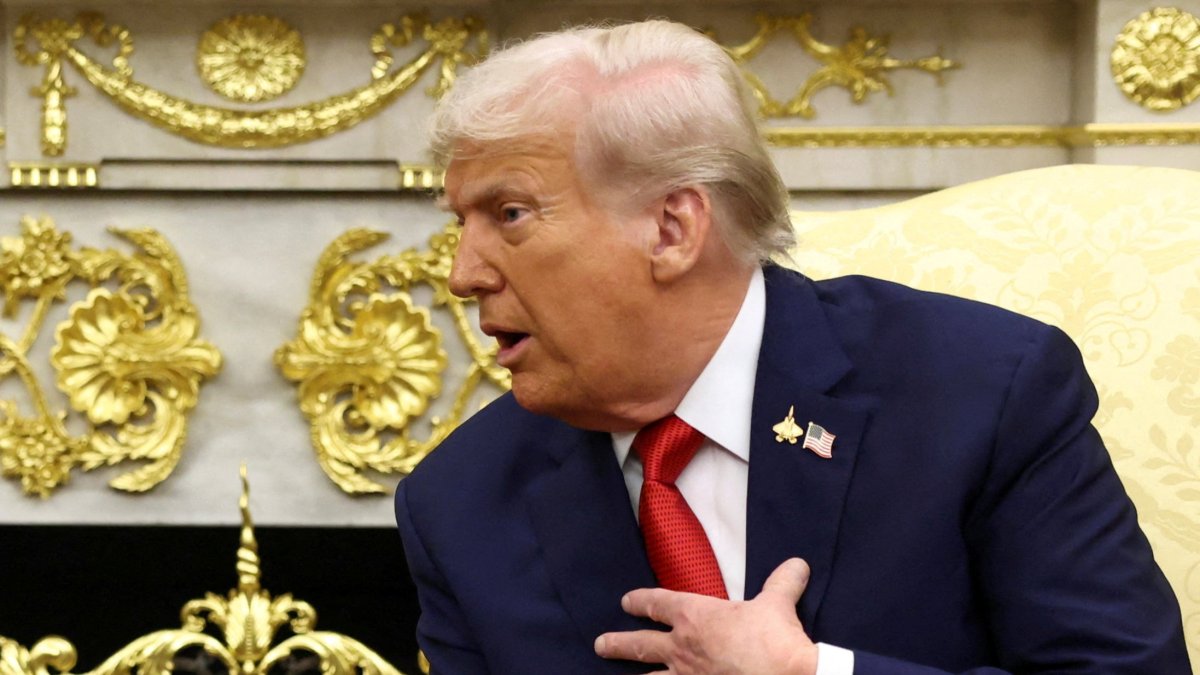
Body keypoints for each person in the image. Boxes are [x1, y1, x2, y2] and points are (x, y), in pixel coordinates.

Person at [393, 19, 1189, 674]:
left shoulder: (983, 394)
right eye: (457, 222)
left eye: (510, 215)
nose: (462, 275)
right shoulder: (457, 503)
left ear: (672, 229)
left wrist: (817, 674)